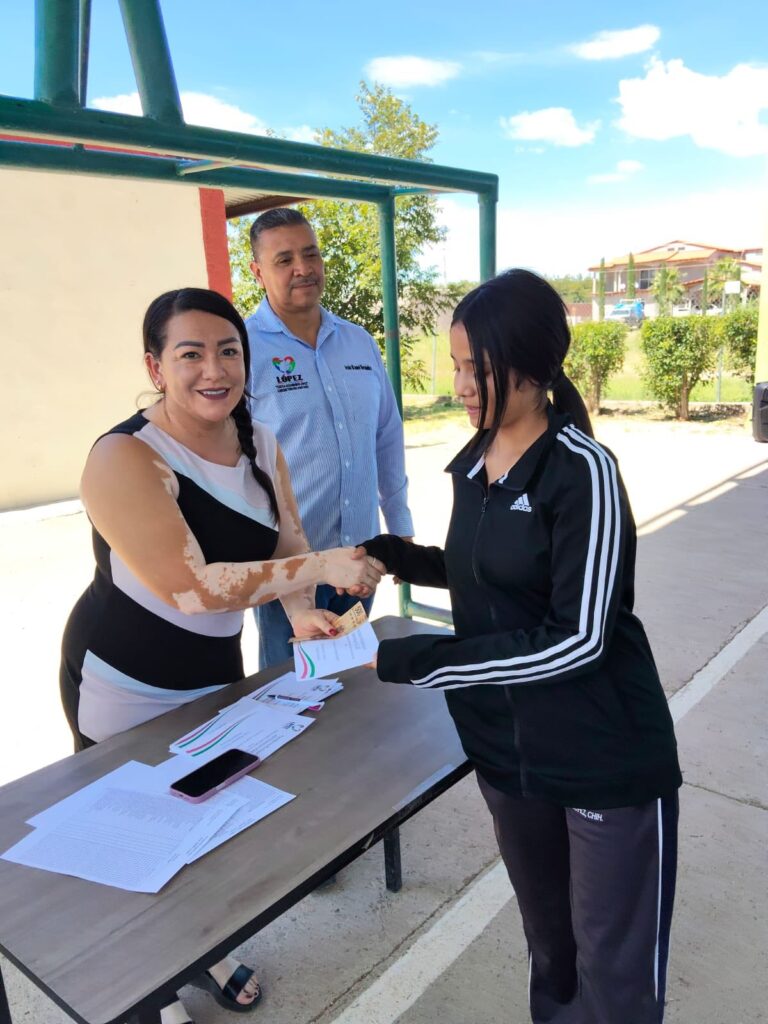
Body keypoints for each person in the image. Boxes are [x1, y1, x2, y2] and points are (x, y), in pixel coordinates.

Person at [358, 270, 682, 1024]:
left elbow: (579, 637)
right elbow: (484, 575)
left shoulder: (583, 473)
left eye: (479, 368)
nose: (462, 384)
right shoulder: (476, 463)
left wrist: (419, 659)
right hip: (509, 756)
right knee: (552, 948)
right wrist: (396, 556)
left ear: (534, 369)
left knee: (614, 967)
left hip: (602, 759)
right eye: (458, 365)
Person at [59, 287, 382, 1024]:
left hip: (212, 679)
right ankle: (154, 989)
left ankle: (203, 952)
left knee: (210, 820)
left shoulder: (262, 443)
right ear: (156, 365)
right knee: (137, 841)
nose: (215, 368)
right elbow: (192, 591)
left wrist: (304, 619)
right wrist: (325, 569)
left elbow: (286, 549)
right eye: (191, 353)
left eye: (229, 350)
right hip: (122, 681)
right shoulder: (124, 456)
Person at [244, 208, 414, 668]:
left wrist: (399, 532)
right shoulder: (241, 349)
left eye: (311, 253)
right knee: (292, 696)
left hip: (361, 562)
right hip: (289, 572)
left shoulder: (358, 342)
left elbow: (386, 435)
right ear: (257, 271)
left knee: (356, 688)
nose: (303, 268)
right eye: (284, 260)